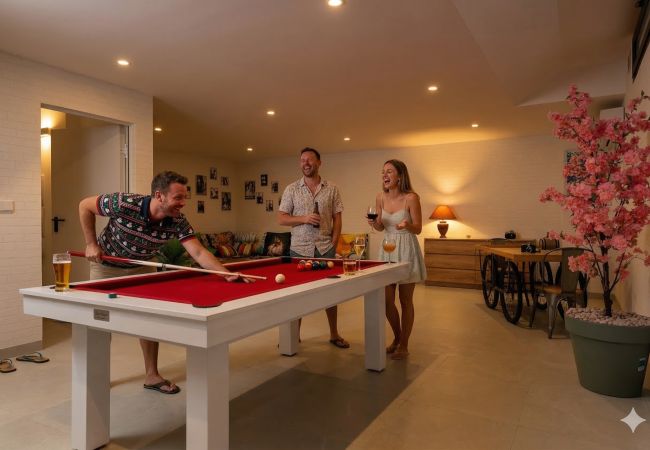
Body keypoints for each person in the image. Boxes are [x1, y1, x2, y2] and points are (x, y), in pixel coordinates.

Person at [79, 171, 241, 394]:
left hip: (142, 268)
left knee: (148, 319)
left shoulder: (177, 220)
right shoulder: (124, 203)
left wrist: (225, 273)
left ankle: (152, 375)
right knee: (99, 319)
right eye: (178, 198)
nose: (183, 203)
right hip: (106, 267)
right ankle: (96, 377)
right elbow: (84, 206)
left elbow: (198, 252)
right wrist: (91, 243)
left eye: (185, 198)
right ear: (159, 196)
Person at [278, 147, 349, 348]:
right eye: (302, 160)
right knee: (296, 295)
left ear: (319, 163)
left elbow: (337, 218)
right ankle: (294, 336)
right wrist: (304, 218)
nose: (306, 163)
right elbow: (282, 219)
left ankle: (334, 334)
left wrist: (333, 243)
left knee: (331, 294)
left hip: (325, 248)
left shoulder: (332, 188)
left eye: (310, 160)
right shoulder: (291, 189)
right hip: (299, 249)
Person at [368, 160, 426, 360]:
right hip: (388, 248)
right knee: (386, 300)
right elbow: (380, 227)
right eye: (383, 172)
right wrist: (373, 223)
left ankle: (404, 345)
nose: (384, 175)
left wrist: (407, 225)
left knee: (405, 300)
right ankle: (398, 337)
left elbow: (418, 228)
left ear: (400, 176)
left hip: (407, 247)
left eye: (389, 172)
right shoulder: (380, 197)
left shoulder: (411, 198)